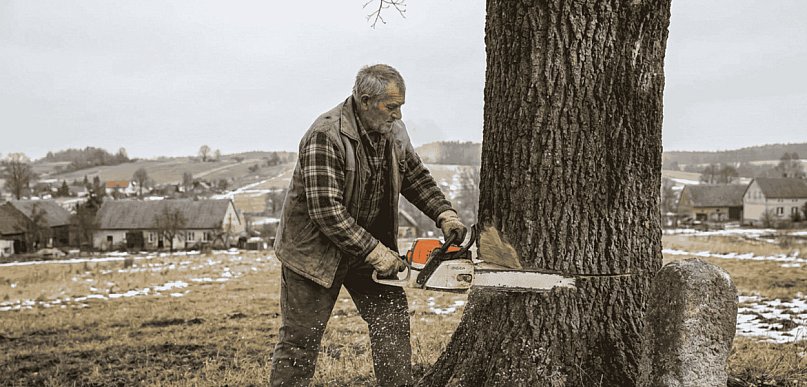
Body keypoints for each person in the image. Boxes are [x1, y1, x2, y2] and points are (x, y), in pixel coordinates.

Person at [270, 64, 467, 386]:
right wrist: (375, 252)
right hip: (314, 254)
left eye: (401, 107)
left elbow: (415, 176)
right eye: (391, 107)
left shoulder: (394, 131)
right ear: (364, 101)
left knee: (392, 323)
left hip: (366, 248)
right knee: (300, 340)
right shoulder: (325, 135)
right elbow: (326, 210)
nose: (398, 116)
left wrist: (444, 213)